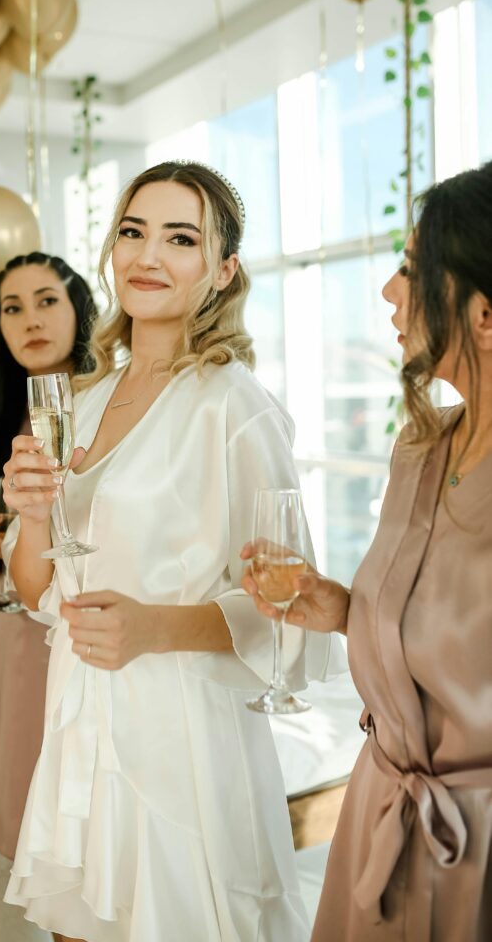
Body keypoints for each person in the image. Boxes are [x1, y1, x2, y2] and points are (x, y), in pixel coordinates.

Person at [1, 161, 343, 942]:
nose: (147, 256)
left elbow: (290, 610)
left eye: (178, 239)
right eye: (132, 231)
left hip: (182, 738)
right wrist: (28, 515)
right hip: (79, 724)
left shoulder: (233, 405)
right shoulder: (80, 401)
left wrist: (155, 629)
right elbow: (34, 591)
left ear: (222, 271)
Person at [244, 161, 492, 942]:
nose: (388, 292)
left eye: (412, 271)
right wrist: (341, 609)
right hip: (380, 814)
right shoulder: (418, 450)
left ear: (483, 314)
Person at [0, 251, 97, 860]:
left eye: (47, 300)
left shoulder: (110, 411)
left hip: (83, 624)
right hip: (8, 637)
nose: (30, 320)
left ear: (80, 309)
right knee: (23, 808)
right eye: (12, 308)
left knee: (93, 822)